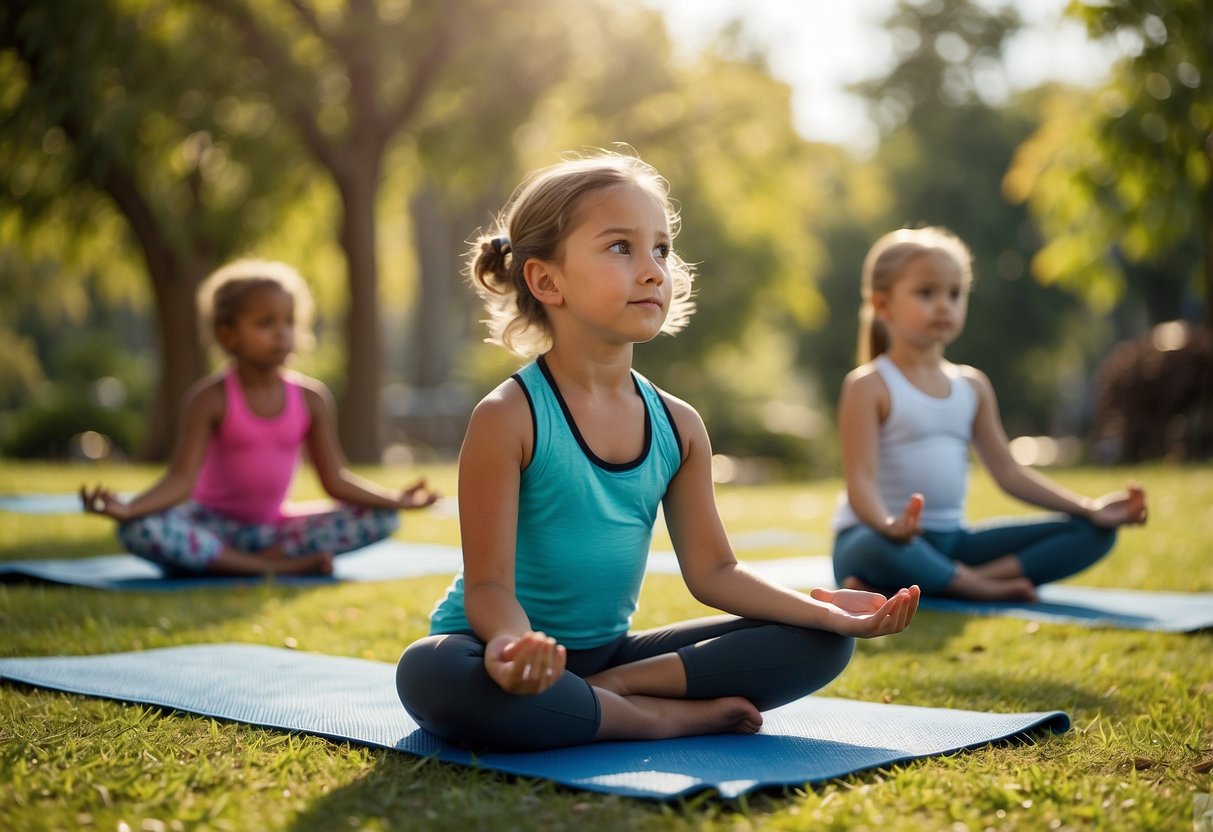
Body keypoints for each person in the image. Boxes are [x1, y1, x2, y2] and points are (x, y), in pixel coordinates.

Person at [395, 151, 920, 752]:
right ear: (546, 280)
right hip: (493, 650)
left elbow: (715, 572)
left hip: (608, 654)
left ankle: (604, 693)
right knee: (428, 672)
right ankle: (655, 718)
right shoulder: (508, 416)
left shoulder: (679, 425)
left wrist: (825, 613)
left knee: (820, 643)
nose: (652, 271)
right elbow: (489, 588)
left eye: (662, 250)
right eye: (621, 247)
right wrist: (516, 649)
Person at [832, 226, 1148, 602]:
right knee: (869, 547)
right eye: (926, 292)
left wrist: (1089, 509)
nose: (944, 305)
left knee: (1093, 533)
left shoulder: (972, 386)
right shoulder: (869, 385)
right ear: (883, 306)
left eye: (954, 293)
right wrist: (889, 523)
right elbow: (861, 483)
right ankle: (971, 585)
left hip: (951, 544)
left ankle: (955, 578)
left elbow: (1009, 473)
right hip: (880, 539)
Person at [81, 259, 438, 576]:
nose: (282, 333)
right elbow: (181, 479)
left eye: (288, 321)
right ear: (228, 335)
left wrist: (396, 499)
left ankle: (235, 562)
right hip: (210, 527)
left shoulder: (311, 399)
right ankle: (272, 565)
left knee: (382, 519)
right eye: (266, 323)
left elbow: (336, 479)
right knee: (136, 530)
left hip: (275, 529)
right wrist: (130, 509)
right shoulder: (210, 399)